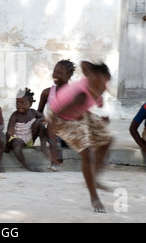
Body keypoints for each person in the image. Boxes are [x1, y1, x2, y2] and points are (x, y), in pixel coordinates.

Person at [47, 61, 113, 213]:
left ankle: (94, 177)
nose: (102, 86)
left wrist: (98, 93)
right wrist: (53, 148)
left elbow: (84, 64)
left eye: (104, 82)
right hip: (61, 118)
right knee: (87, 154)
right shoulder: (81, 94)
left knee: (107, 139)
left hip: (79, 113)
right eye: (98, 80)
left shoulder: (99, 83)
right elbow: (54, 116)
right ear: (91, 77)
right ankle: (94, 197)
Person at [38, 60, 76, 166]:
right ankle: (56, 155)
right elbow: (39, 113)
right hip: (53, 133)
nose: (55, 75)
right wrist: (43, 119)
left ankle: (55, 156)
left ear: (68, 75)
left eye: (59, 73)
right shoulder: (47, 92)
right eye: (54, 72)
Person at [5, 88, 46, 172]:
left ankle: (43, 146)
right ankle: (26, 165)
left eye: (23, 103)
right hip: (18, 138)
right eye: (18, 103)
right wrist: (7, 143)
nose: (20, 105)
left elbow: (44, 117)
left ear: (30, 104)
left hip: (30, 138)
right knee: (15, 144)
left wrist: (37, 120)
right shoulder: (15, 115)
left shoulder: (33, 112)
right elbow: (10, 131)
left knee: (41, 125)